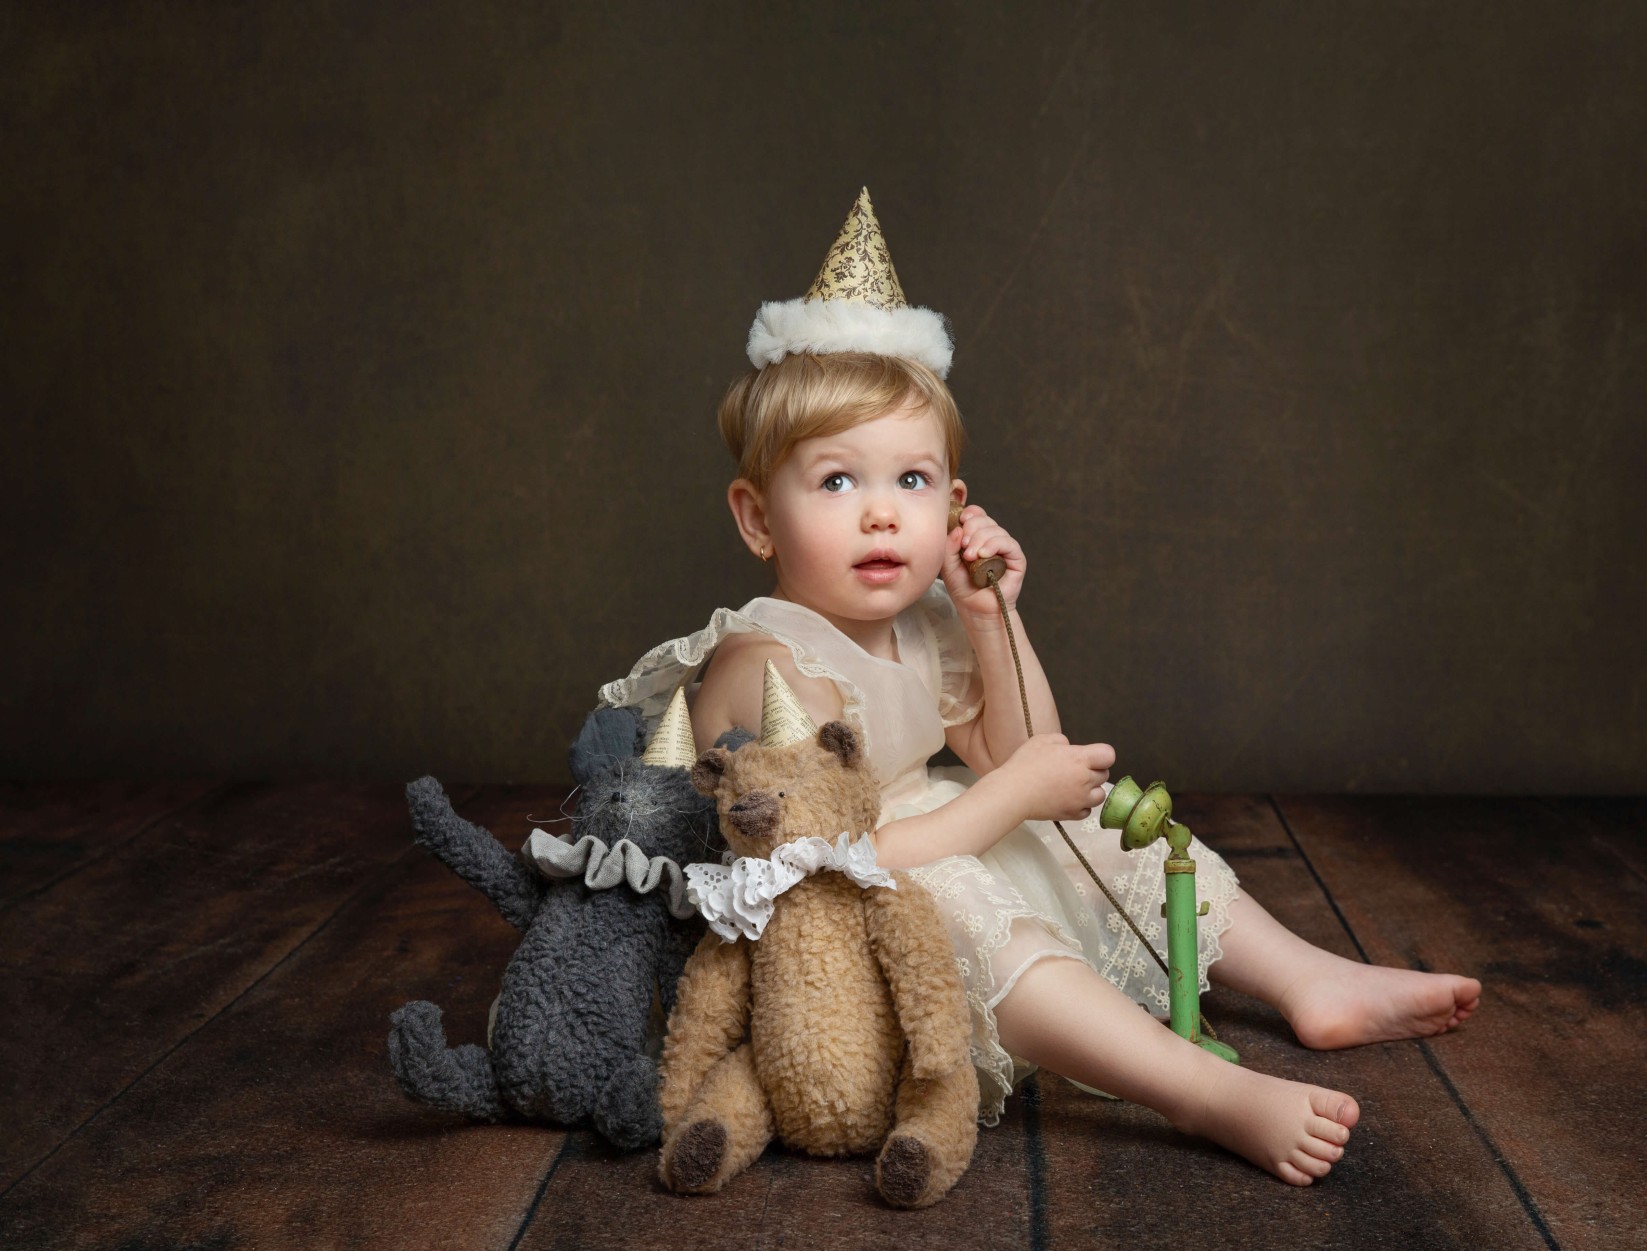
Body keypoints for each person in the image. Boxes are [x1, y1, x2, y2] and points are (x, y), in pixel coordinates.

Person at [597, 190, 1480, 1185]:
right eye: (837, 483)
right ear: (757, 518)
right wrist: (1009, 798)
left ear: (955, 504)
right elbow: (827, 863)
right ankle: (1195, 1090)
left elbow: (1025, 760)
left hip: (925, 831)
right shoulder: (764, 665)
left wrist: (989, 616)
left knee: (1092, 822)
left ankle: (1305, 977)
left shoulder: (923, 624)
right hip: (823, 919)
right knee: (961, 903)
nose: (881, 517)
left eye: (911, 482)